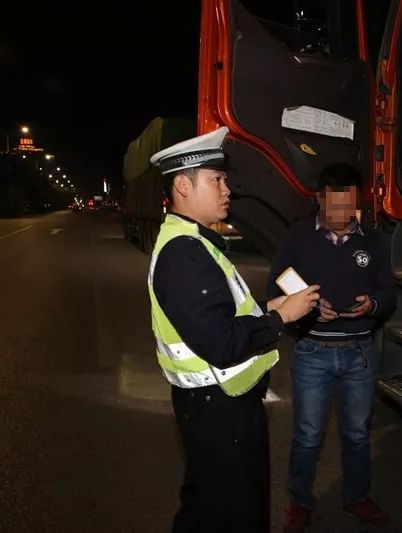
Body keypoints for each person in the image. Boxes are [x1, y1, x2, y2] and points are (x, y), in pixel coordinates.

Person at [147, 126, 320, 533]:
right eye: (216, 179)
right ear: (183, 186)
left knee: (206, 506)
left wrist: (269, 307)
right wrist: (281, 318)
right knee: (237, 514)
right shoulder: (183, 253)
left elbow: (222, 314)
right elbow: (221, 343)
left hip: (215, 405)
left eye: (224, 179)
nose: (227, 189)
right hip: (219, 409)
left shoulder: (196, 242)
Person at [267, 163, 397, 531]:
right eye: (334, 204)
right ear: (320, 199)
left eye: (349, 204)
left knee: (357, 433)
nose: (342, 214)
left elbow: (389, 292)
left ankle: (356, 497)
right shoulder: (298, 238)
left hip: (359, 353)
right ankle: (299, 503)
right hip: (313, 353)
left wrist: (372, 304)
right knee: (308, 435)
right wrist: (306, 311)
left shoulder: (372, 241)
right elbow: (278, 286)